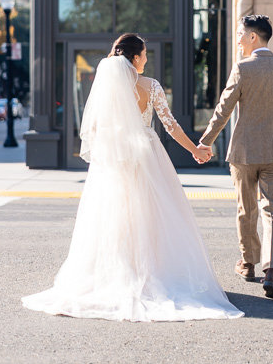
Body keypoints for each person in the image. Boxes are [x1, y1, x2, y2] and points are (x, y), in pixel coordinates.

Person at [22, 33, 243, 323]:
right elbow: (170, 125)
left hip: (115, 160)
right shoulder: (150, 86)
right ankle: (151, 273)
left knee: (115, 216)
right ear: (136, 57)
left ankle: (119, 273)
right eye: (145, 54)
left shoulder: (106, 88)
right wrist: (195, 150)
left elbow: (97, 128)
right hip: (147, 155)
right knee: (152, 214)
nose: (147, 58)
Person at [197, 15, 273, 299]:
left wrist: (205, 143)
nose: (238, 40)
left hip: (244, 152)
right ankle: (272, 272)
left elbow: (223, 110)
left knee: (247, 209)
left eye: (241, 34)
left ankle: (249, 264)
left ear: (253, 37)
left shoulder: (242, 68)